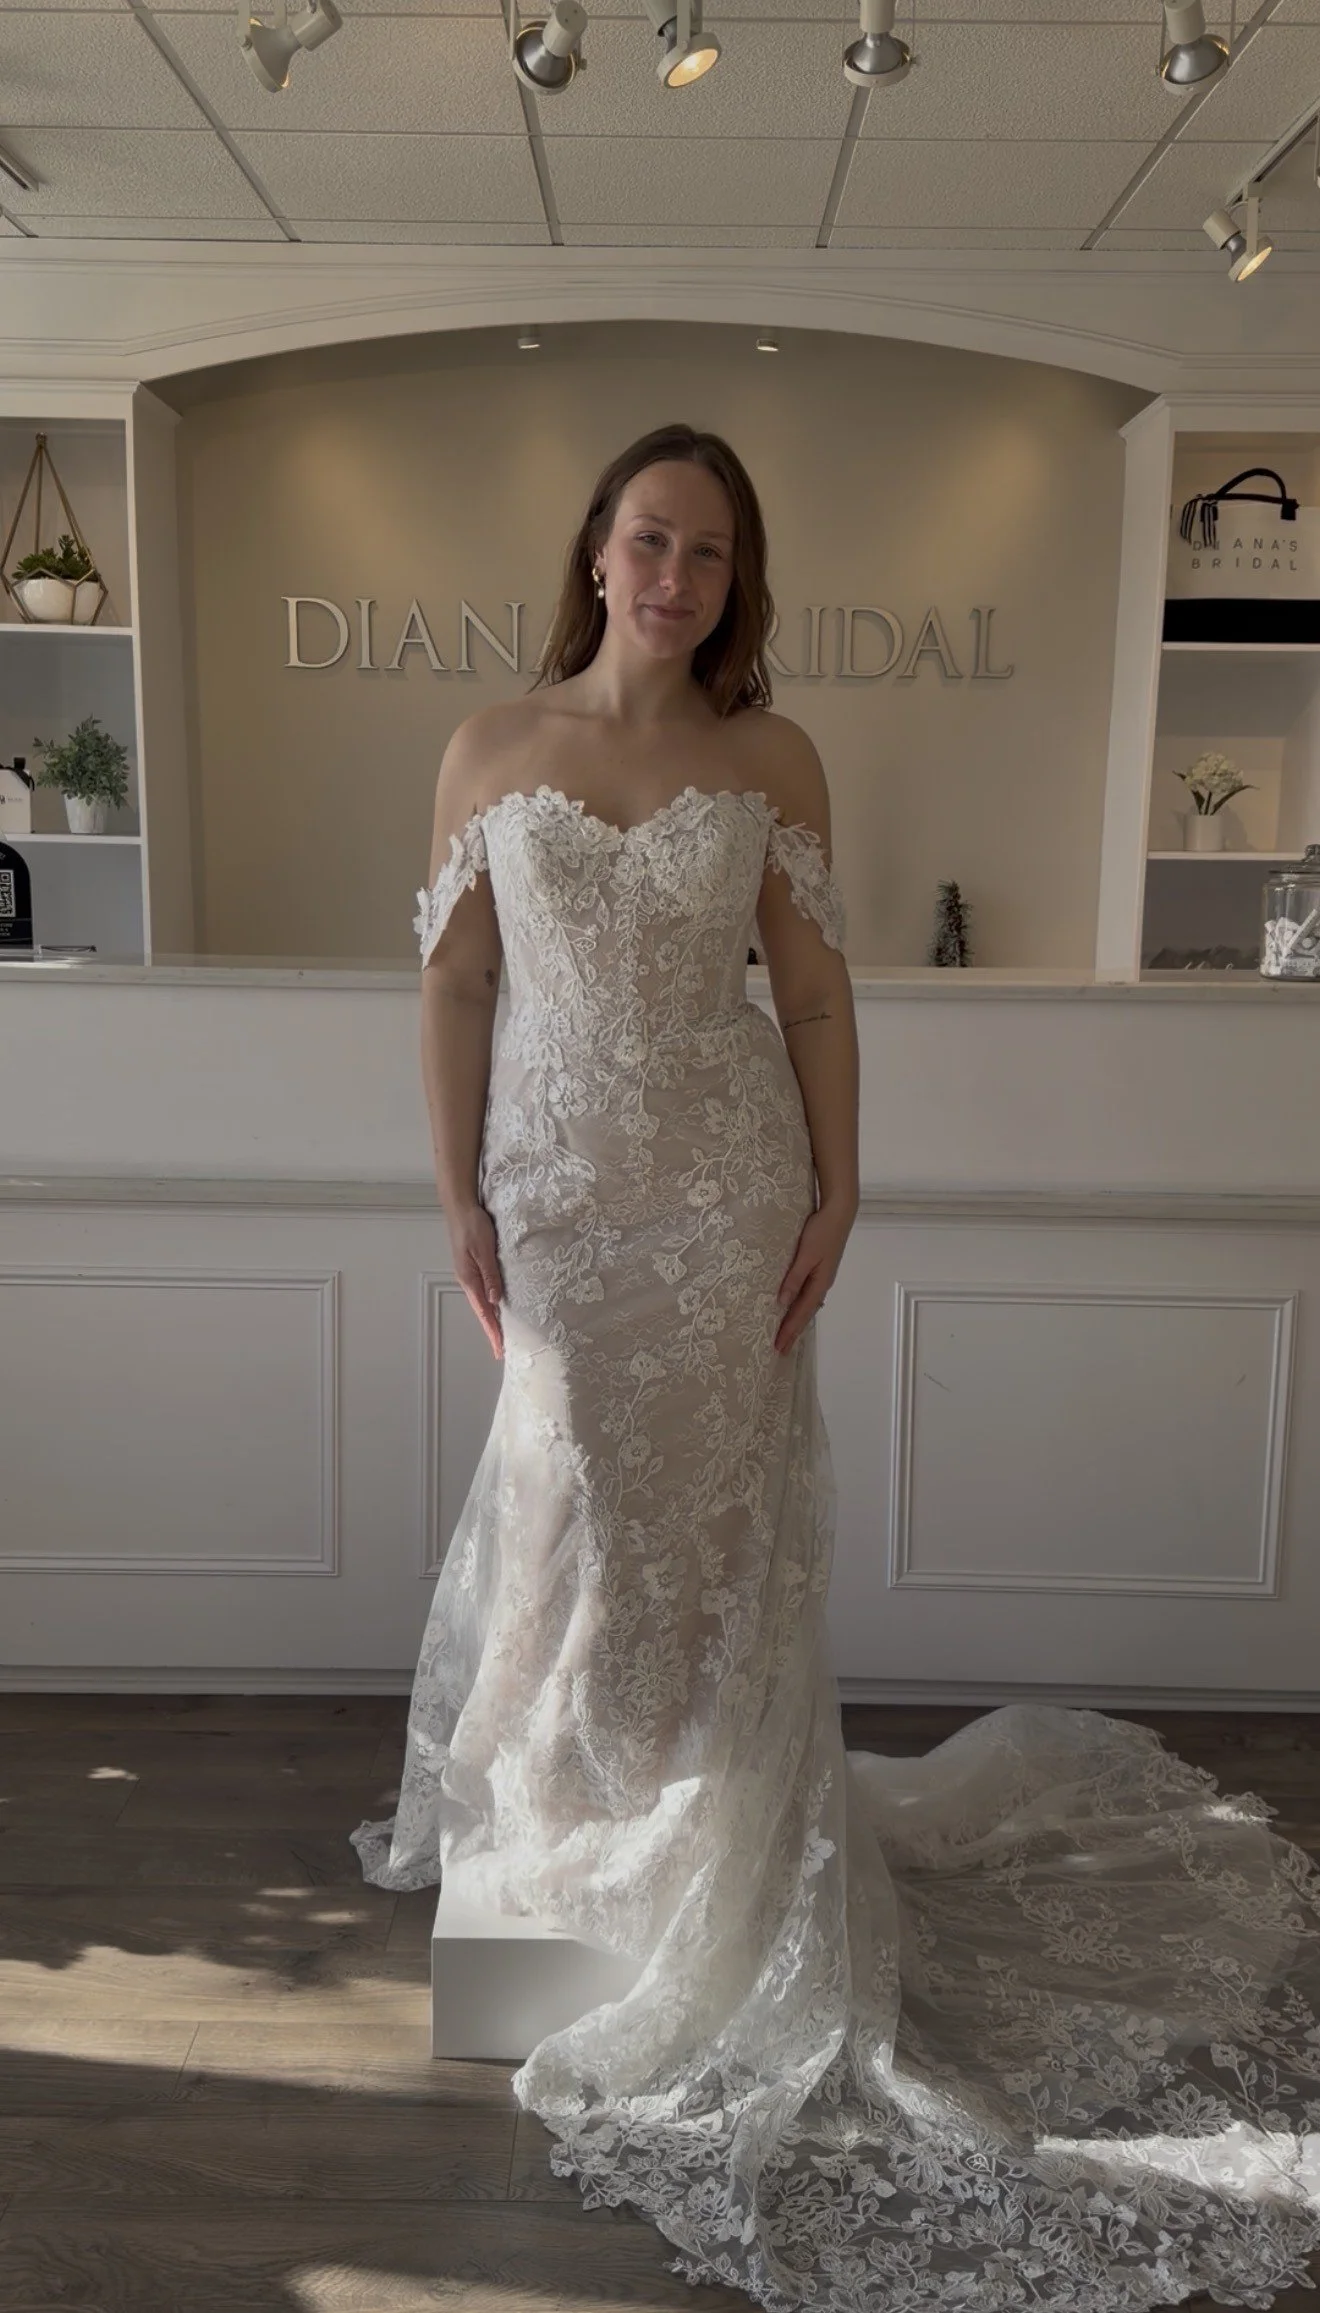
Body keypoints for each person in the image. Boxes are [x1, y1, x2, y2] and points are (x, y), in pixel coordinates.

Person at [353, 422, 1320, 2313]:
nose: (675, 577)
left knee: (711, 1548)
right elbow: (457, 980)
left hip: (729, 1195)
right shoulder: (489, 748)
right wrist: (454, 1191)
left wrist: (844, 1182)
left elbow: (806, 990)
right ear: (598, 549)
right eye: (652, 539)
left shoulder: (772, 757)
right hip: (558, 1199)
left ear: (738, 582)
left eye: (710, 553)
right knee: (565, 1529)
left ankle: (716, 1892)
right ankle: (555, 1904)